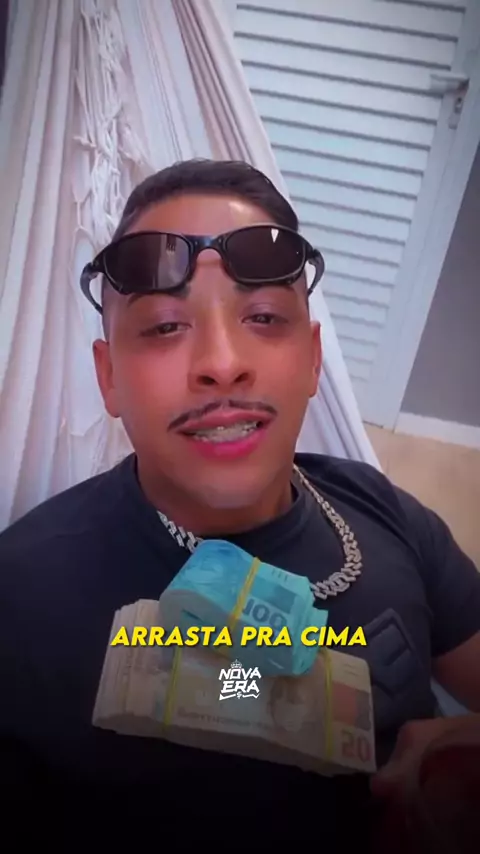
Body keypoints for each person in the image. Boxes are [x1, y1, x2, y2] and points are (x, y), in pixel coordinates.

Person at [1, 159, 479, 848]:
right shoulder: (19, 599)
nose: (222, 363)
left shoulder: (384, 508)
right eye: (165, 326)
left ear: (312, 358)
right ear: (109, 379)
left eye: (263, 317)